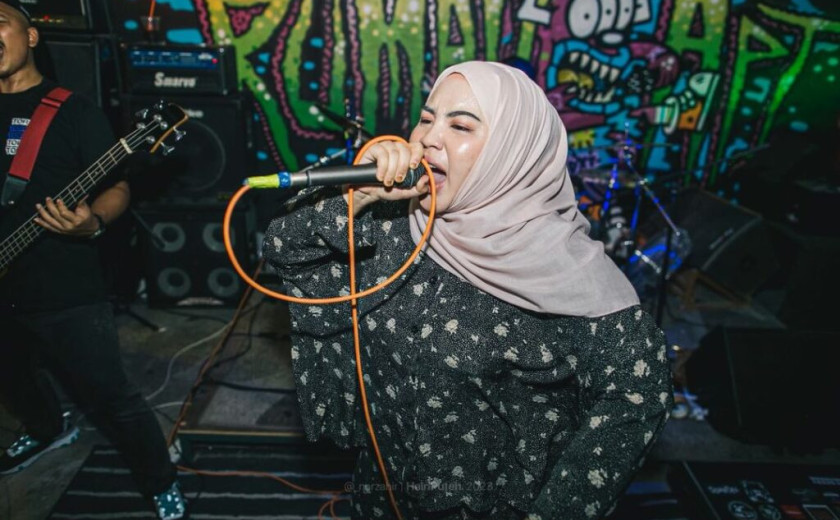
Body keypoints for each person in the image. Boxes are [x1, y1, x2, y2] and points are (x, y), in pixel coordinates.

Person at [264, 61, 672, 519]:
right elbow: (284, 247)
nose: (428, 138)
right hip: (383, 490)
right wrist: (355, 198)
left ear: (511, 152)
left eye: (460, 126)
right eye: (426, 119)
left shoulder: (566, 273)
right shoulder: (395, 223)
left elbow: (639, 393)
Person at [0, 2, 186, 519]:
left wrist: (94, 223)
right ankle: (46, 429)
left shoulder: (71, 111)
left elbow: (117, 187)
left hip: (64, 289)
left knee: (111, 396)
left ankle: (160, 480)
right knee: (12, 375)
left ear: (31, 36)